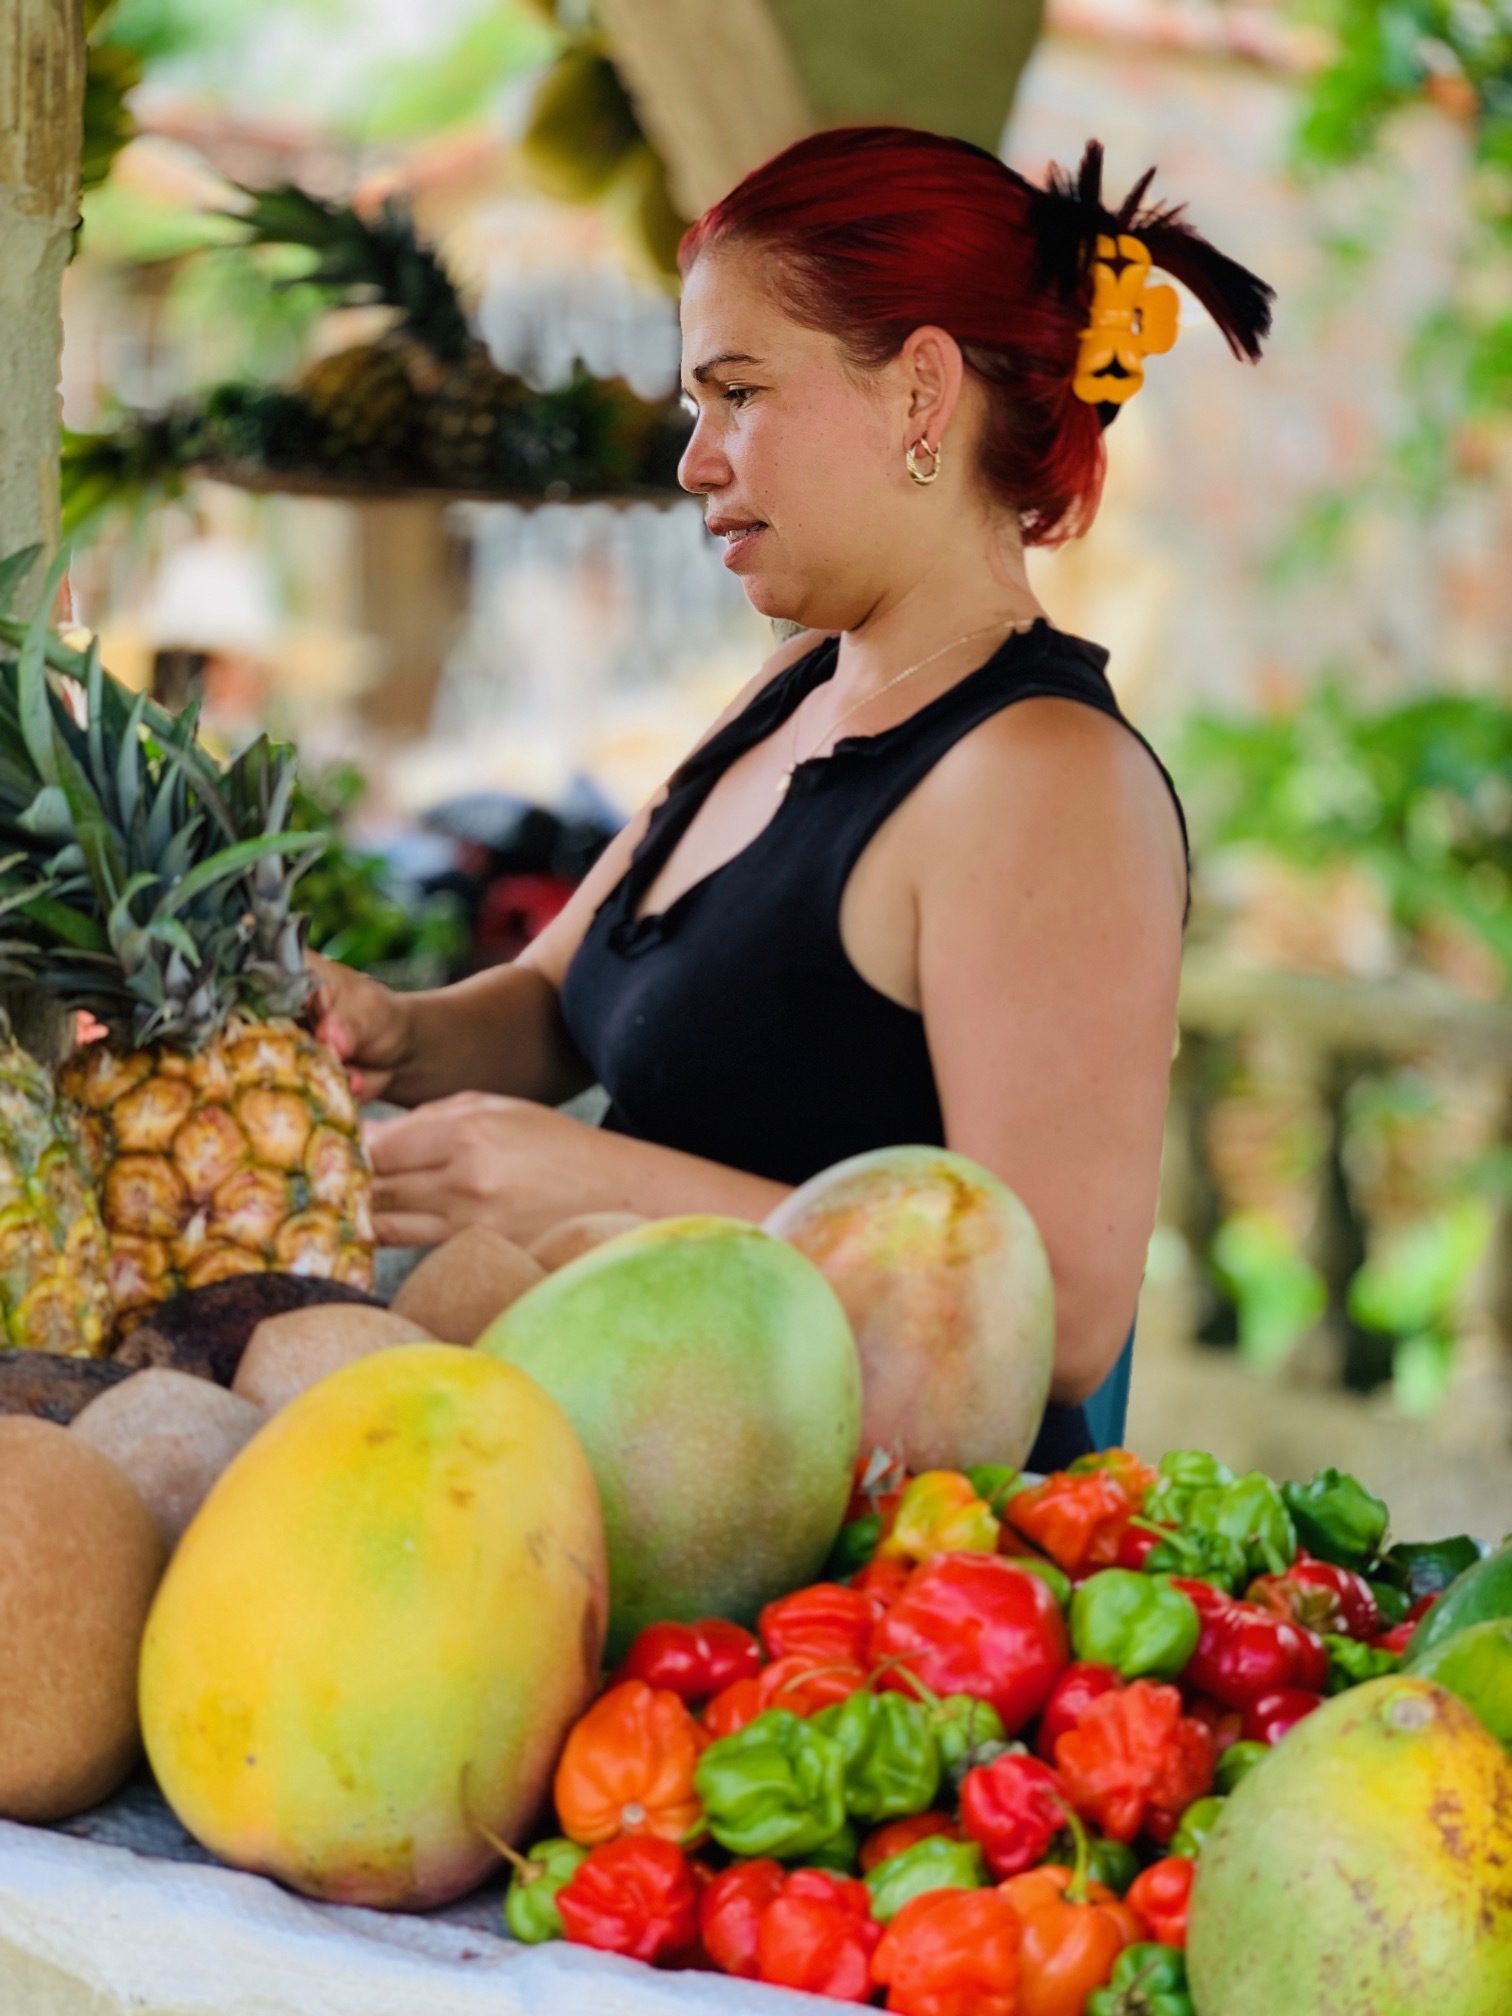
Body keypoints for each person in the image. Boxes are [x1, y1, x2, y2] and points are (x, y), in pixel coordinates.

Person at [313, 129, 1273, 1468]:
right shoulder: (797, 684)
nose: (697, 459)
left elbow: (1059, 1315)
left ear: (921, 394)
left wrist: (602, 1187)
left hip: (872, 1600)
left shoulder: (1045, 779)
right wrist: (391, 1034)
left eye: (739, 394)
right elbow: (554, 1008)